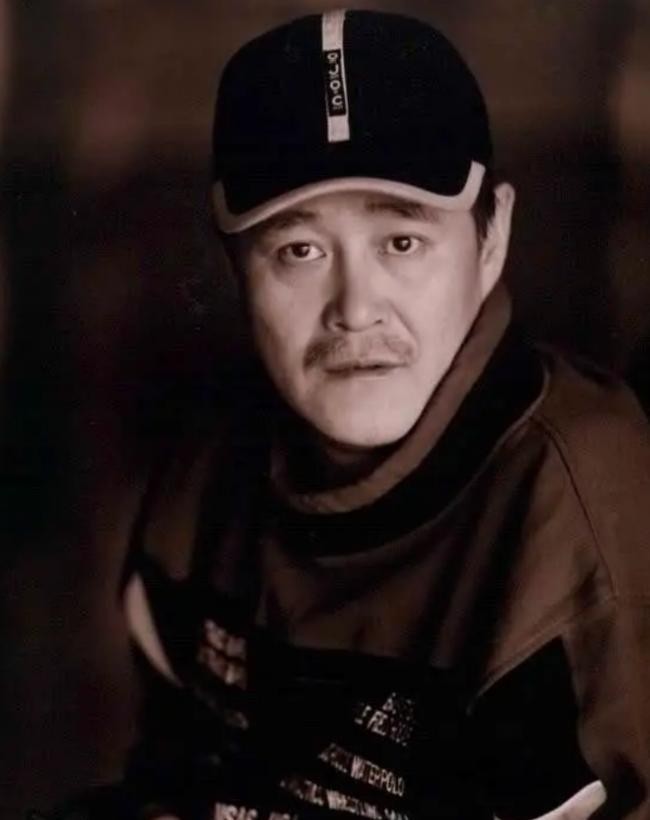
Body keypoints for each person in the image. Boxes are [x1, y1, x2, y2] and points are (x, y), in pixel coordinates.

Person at [51, 8, 650, 820]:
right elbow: (172, 778)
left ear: (493, 238)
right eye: (299, 251)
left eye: (401, 242)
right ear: (234, 268)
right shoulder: (205, 476)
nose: (355, 309)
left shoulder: (585, 512)